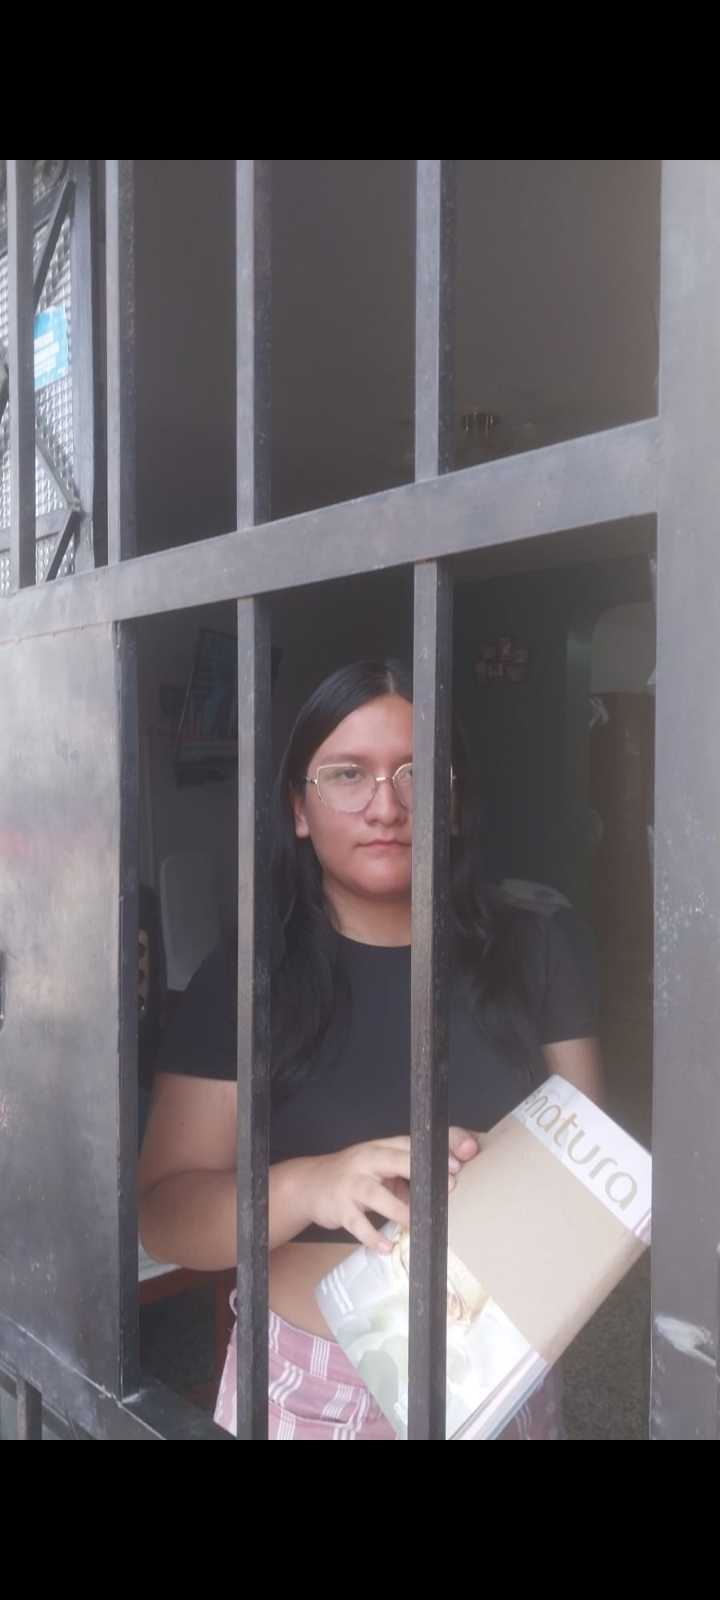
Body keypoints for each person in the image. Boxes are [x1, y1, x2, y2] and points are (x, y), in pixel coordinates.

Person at [139, 659, 602, 1439]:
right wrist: (312, 1186)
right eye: (347, 774)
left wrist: (517, 1187)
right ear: (298, 809)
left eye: (417, 773)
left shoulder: (537, 953)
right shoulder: (246, 980)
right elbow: (164, 1218)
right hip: (311, 1389)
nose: (386, 806)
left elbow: (591, 1181)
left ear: (454, 801)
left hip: (500, 1373)